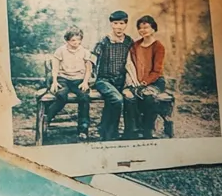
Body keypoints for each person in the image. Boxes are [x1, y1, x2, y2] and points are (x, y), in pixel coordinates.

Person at [92, 11, 136, 141]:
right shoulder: (104, 41)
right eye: (115, 23)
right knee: (116, 99)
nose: (119, 26)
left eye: (122, 23)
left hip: (121, 81)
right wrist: (88, 78)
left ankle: (130, 134)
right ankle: (111, 134)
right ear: (111, 24)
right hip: (103, 80)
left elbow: (131, 62)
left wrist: (131, 80)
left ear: (126, 24)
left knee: (131, 98)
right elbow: (92, 59)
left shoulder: (129, 41)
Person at [46, 27, 94, 141]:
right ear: (67, 40)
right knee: (61, 95)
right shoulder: (60, 50)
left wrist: (85, 82)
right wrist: (54, 81)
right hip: (63, 78)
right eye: (73, 40)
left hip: (79, 79)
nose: (76, 43)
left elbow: (88, 69)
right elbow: (55, 67)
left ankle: (83, 129)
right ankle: (46, 118)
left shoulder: (85, 52)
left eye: (79, 40)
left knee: (84, 97)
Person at [124, 15, 167, 139]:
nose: (143, 30)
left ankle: (148, 130)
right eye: (140, 28)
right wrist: (134, 81)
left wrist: (144, 83)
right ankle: (132, 131)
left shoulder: (158, 46)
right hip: (136, 82)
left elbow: (156, 71)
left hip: (154, 82)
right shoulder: (135, 45)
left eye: (146, 27)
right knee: (129, 97)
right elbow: (130, 65)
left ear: (153, 29)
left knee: (148, 97)